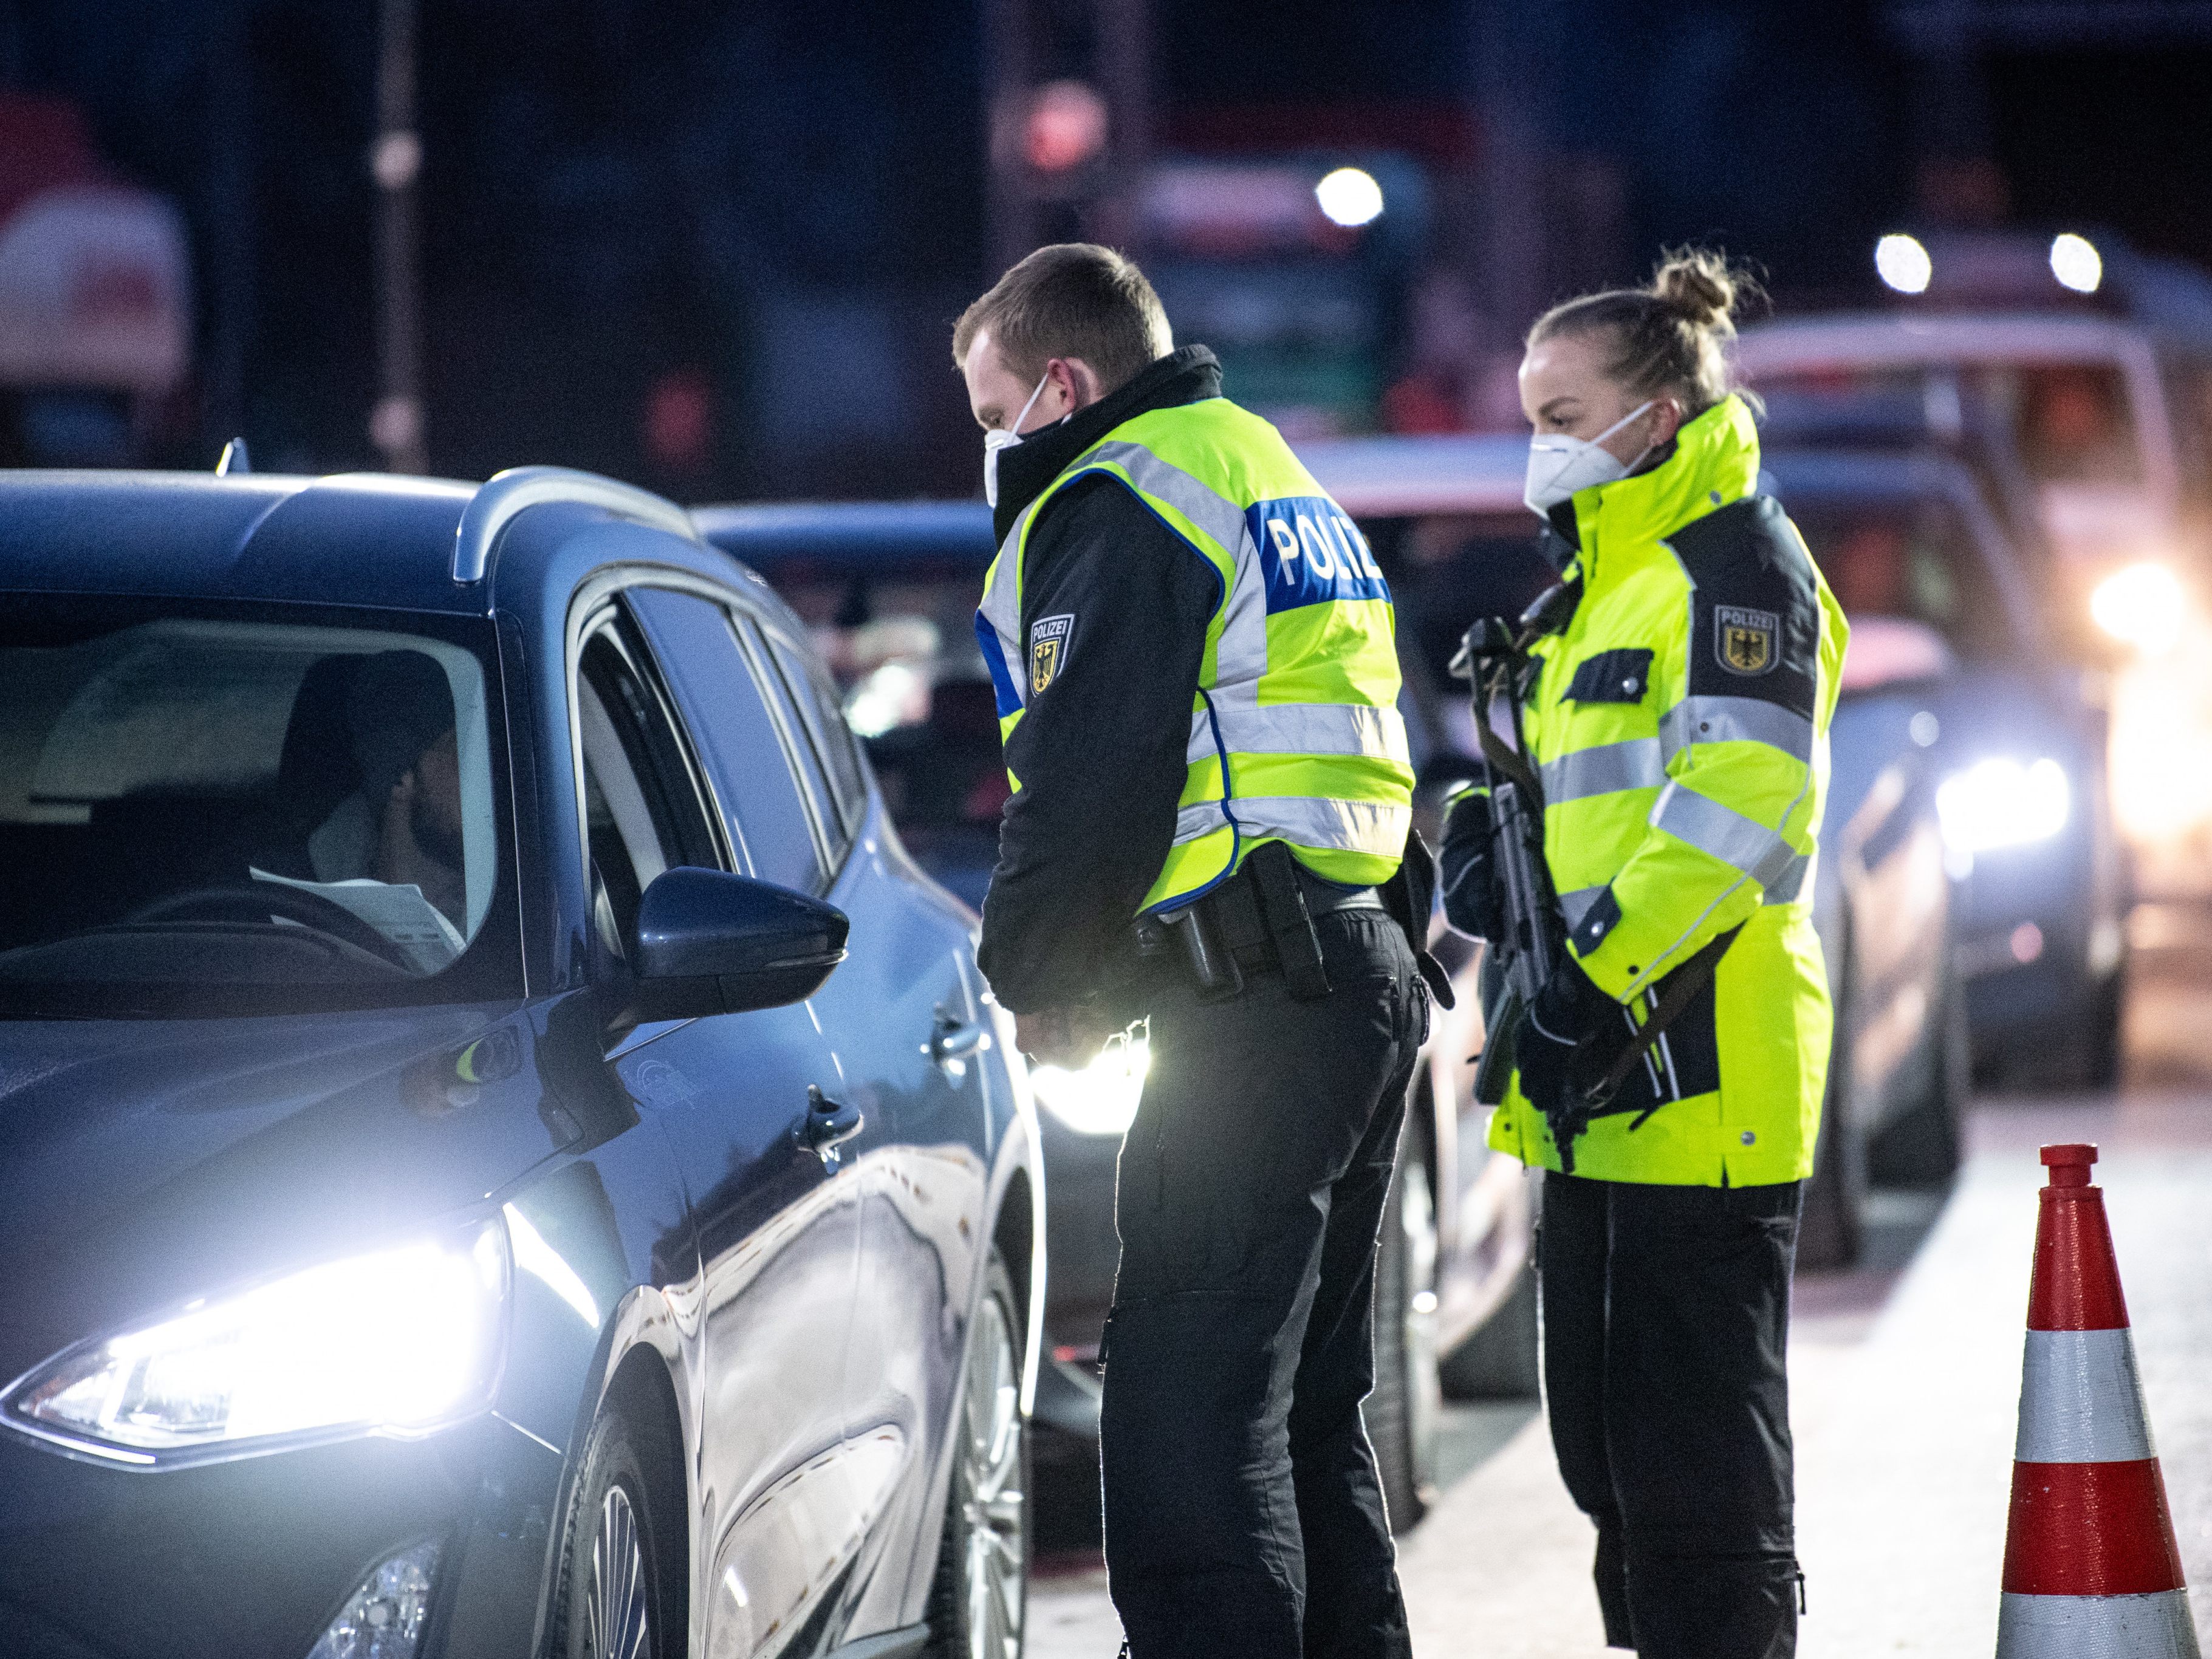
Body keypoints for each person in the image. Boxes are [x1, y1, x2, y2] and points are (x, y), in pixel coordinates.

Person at [954, 243, 1440, 1658]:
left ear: (1065, 380)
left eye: (995, 417)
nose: (991, 450)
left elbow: (1091, 773)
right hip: (1352, 976)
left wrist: (1041, 983)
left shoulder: (1119, 492)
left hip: (1257, 1004)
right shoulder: (1261, 462)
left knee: (1181, 1427)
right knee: (1294, 1413)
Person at [1440, 250, 1848, 1659]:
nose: (1539, 442)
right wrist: (1501, 850)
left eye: (1564, 412)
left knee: (1697, 1471)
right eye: (1530, 413)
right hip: (1600, 1085)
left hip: (1704, 1074)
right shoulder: (1598, 588)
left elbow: (1736, 811)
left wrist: (1589, 981)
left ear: (1656, 415)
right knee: (1608, 1458)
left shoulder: (1736, 574)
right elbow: (1607, 811)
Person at [307, 650, 467, 928]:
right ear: (403, 777)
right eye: (460, 749)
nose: (487, 769)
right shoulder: (309, 902)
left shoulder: (516, 905)